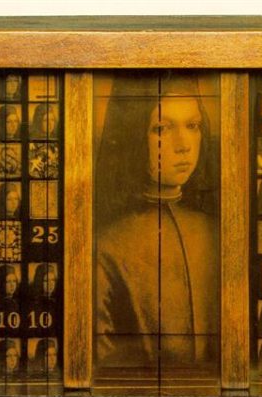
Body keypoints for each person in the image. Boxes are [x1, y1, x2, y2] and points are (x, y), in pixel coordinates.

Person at [95, 71, 219, 369]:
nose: (183, 144)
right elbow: (104, 361)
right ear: (133, 135)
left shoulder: (215, 231)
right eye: (162, 128)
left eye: (193, 126)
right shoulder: (106, 246)